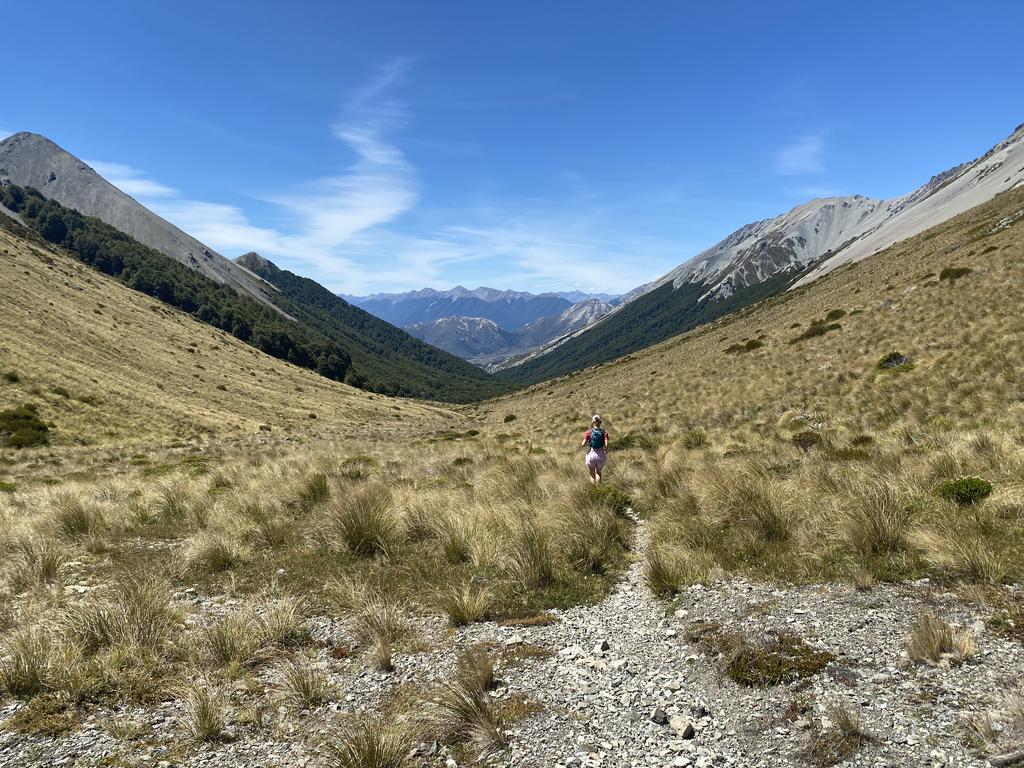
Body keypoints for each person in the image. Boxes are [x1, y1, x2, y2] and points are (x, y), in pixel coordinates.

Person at [581, 415, 609, 485]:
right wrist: (606, 451)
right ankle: (599, 489)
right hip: (600, 455)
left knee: (592, 474)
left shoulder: (588, 432)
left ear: (593, 422)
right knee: (598, 472)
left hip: (591, 454)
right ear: (600, 422)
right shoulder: (604, 433)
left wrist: (589, 442)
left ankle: (593, 490)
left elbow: (583, 444)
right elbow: (606, 445)